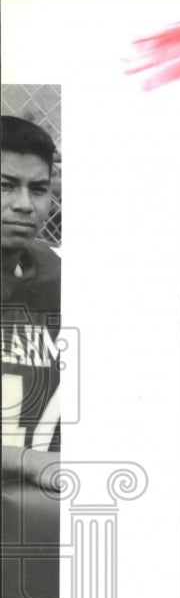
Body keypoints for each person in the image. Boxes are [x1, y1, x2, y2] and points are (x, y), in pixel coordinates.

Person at [1, 115, 61, 491]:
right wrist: (27, 459)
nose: (25, 204)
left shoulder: (67, 275)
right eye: (5, 186)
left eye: (38, 189)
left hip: (45, 507)